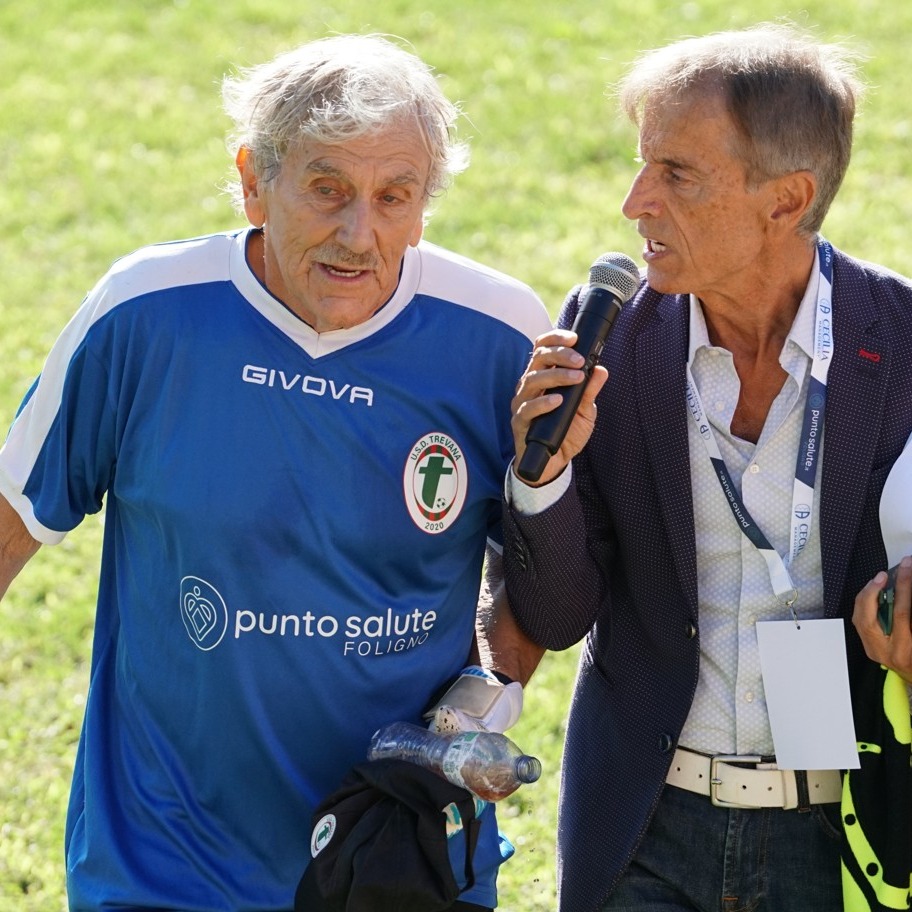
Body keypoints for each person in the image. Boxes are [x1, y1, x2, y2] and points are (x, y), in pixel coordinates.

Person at [0, 34, 549, 912]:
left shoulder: (500, 337)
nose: (358, 232)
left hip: (399, 856)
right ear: (255, 180)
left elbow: (548, 562)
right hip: (163, 865)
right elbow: (9, 523)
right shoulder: (146, 315)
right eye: (327, 189)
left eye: (394, 197)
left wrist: (492, 689)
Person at [502, 22, 912, 912]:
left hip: (837, 837)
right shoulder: (615, 328)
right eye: (643, 164)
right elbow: (559, 614)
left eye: (676, 174)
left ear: (786, 198)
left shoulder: (901, 340)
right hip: (644, 826)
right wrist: (543, 480)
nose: (634, 202)